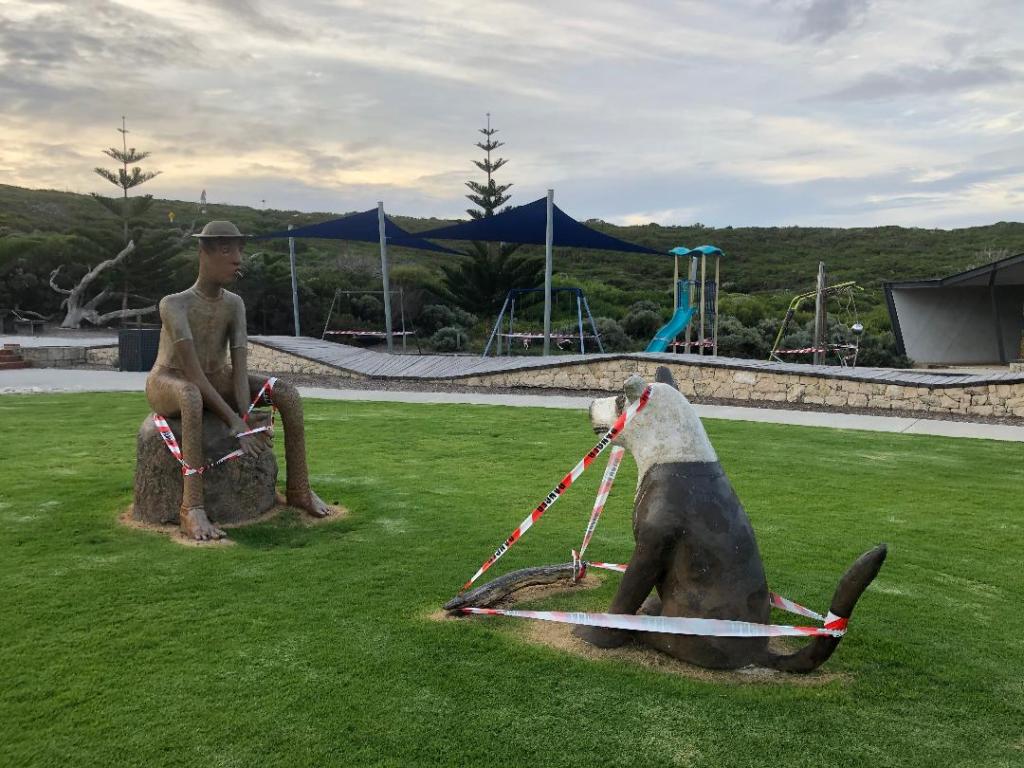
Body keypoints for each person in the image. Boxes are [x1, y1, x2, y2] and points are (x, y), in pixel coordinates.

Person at [145, 220, 331, 540]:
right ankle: (191, 508)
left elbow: (239, 366)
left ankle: (299, 489)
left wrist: (246, 415)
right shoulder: (174, 304)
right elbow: (192, 373)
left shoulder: (234, 304)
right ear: (203, 253)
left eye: (239, 250)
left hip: (218, 378)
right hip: (170, 380)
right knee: (190, 395)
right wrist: (234, 423)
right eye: (226, 250)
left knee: (286, 393)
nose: (237, 259)